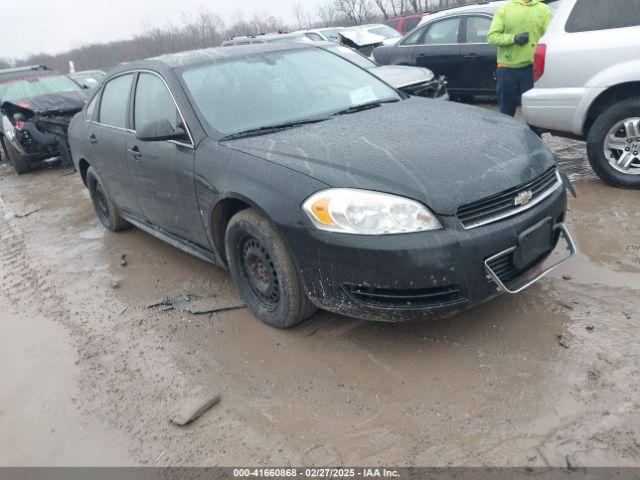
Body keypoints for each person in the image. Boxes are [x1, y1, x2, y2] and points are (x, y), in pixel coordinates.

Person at [488, 0, 553, 117]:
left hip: (532, 70)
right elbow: (492, 37)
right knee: (506, 114)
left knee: (534, 113)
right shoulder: (505, 9)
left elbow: (552, 37)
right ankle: (506, 135)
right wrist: (514, 38)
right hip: (506, 69)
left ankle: (534, 134)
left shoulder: (544, 10)